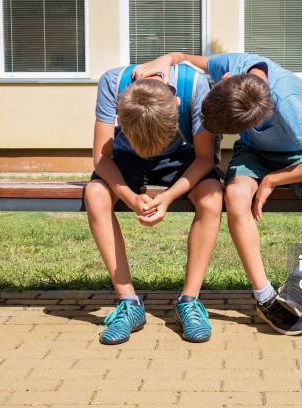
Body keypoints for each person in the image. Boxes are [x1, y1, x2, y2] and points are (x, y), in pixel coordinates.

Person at [135, 53, 302, 336]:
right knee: (234, 196)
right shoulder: (234, 66)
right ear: (225, 80)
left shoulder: (288, 102)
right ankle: (265, 297)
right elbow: (184, 58)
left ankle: (301, 279)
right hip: (254, 154)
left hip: (300, 156)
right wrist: (166, 60)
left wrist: (272, 180)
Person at [85, 62, 223, 344]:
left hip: (182, 159)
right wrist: (130, 196)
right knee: (95, 194)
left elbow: (205, 158)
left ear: (177, 103)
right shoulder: (112, 83)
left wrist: (168, 196)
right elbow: (101, 158)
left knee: (212, 195)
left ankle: (189, 301)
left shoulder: (195, 87)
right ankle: (129, 304)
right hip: (125, 158)